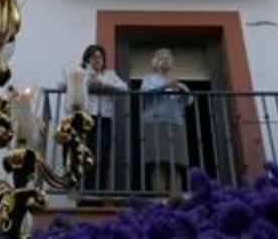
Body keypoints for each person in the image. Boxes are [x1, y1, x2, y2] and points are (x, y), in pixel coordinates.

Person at [139, 48, 192, 197]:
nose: (165, 60)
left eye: (168, 58)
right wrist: (165, 86)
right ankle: (159, 196)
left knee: (176, 162)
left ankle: (177, 197)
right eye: (161, 58)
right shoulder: (148, 79)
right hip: (154, 123)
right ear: (155, 63)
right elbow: (145, 94)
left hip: (175, 123)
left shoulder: (178, 82)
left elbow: (188, 101)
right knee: (158, 161)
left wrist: (181, 90)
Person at [77, 44, 128, 193]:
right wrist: (87, 83)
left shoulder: (109, 74)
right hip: (85, 118)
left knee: (102, 154)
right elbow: (65, 85)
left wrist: (103, 84)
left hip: (104, 119)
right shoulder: (81, 72)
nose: (97, 60)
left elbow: (124, 87)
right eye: (93, 57)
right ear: (87, 60)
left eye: (99, 57)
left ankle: (98, 190)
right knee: (85, 153)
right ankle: (85, 190)